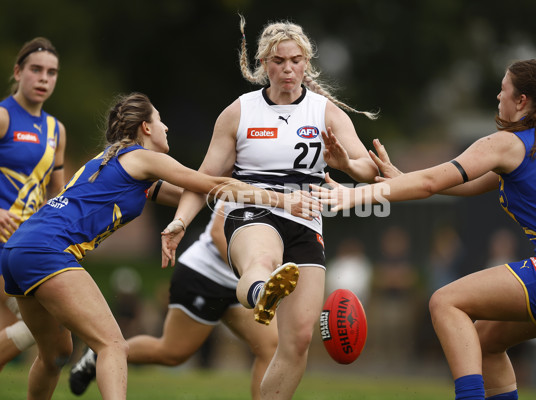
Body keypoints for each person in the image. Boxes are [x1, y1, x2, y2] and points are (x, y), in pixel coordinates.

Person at [311, 59, 536, 400]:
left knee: (445, 301)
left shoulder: (507, 142)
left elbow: (433, 182)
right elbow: (471, 182)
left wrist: (355, 194)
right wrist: (404, 180)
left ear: (521, 101)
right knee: (485, 342)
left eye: (504, 89)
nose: (498, 96)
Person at [1, 92, 318, 400]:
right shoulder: (143, 158)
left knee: (56, 354)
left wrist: (247, 205)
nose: (167, 127)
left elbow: (196, 197)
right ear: (146, 128)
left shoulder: (119, 163)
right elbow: (210, 183)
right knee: (113, 345)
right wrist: (281, 199)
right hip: (47, 250)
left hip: (17, 249)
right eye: (160, 120)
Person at [161, 16, 378, 400]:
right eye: (278, 61)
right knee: (261, 259)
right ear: (264, 64)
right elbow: (203, 178)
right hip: (253, 207)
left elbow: (368, 168)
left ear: (306, 63)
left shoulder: (325, 113)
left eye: (296, 60)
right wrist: (180, 221)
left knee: (297, 342)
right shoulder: (240, 112)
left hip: (306, 217)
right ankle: (263, 292)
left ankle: (266, 295)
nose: (288, 68)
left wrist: (344, 163)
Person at [68, 201, 278, 400]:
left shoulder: (296, 189)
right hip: (205, 274)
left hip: (243, 283)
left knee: (270, 346)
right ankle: (101, 355)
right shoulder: (250, 178)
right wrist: (251, 272)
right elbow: (217, 233)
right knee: (172, 352)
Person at [0, 37, 67, 372]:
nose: (44, 78)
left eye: (51, 72)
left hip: (29, 245)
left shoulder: (57, 130)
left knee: (57, 349)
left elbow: (58, 196)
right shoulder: (2, 117)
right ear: (18, 71)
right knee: (42, 328)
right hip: (2, 245)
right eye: (36, 70)